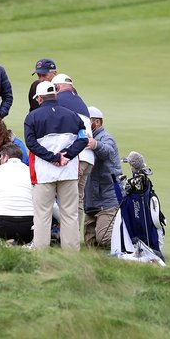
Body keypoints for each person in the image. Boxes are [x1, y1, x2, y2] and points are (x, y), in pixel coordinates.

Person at [24, 81, 88, 251]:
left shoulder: (32, 117)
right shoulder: (73, 115)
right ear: (55, 95)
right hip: (68, 172)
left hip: (44, 174)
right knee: (70, 215)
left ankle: (41, 255)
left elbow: (30, 143)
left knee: (42, 215)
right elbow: (83, 138)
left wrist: (53, 158)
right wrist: (67, 155)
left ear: (39, 98)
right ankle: (71, 256)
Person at [51, 73, 94, 231]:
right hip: (88, 158)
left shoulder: (58, 100)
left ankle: (66, 237)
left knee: (66, 199)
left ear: (57, 87)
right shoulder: (80, 101)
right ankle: (73, 235)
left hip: (75, 157)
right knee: (78, 199)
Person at [84, 106, 121, 248]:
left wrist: (95, 145)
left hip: (107, 199)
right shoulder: (86, 137)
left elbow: (107, 151)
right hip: (92, 201)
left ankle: (131, 243)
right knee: (90, 245)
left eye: (88, 121)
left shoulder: (105, 137)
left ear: (97, 122)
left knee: (104, 238)